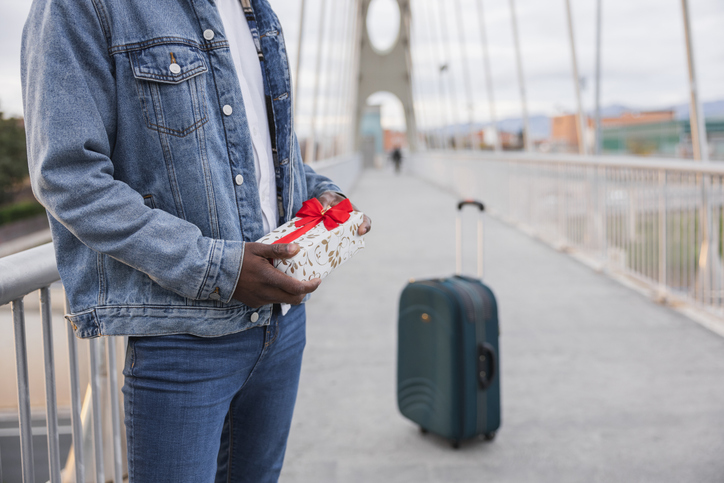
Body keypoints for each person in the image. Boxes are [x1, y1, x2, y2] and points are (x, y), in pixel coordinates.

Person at [21, 0, 370, 481]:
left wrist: (321, 194)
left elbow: (265, 149)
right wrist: (220, 269)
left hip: (281, 326)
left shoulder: (255, 10)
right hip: (184, 339)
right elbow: (68, 177)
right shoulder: (83, 7)